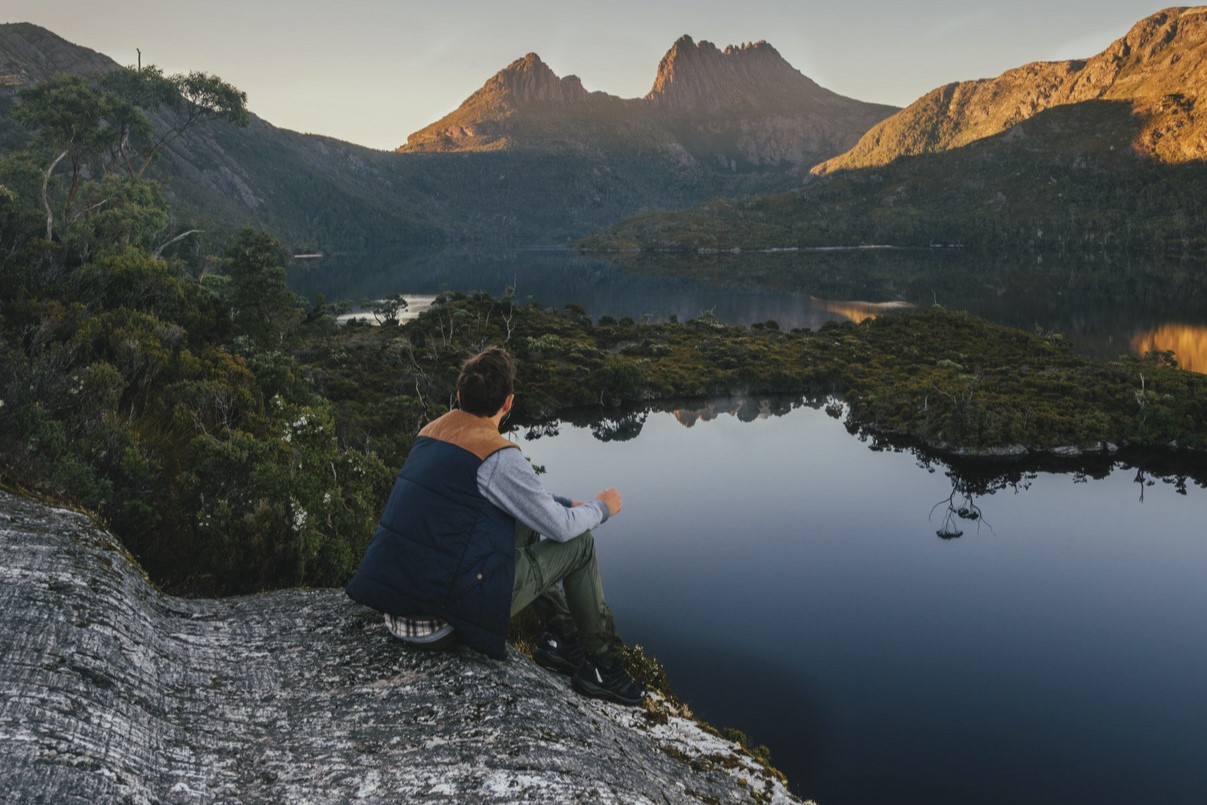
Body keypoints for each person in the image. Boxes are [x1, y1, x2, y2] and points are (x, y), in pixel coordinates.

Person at [346, 346, 645, 707]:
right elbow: (563, 530)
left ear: (458, 397)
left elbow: (515, 498)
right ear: (508, 403)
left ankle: (561, 641)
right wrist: (602, 507)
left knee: (523, 518)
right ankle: (603, 668)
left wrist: (564, 504)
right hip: (442, 625)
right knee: (579, 544)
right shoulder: (498, 453)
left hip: (398, 612)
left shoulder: (432, 430)